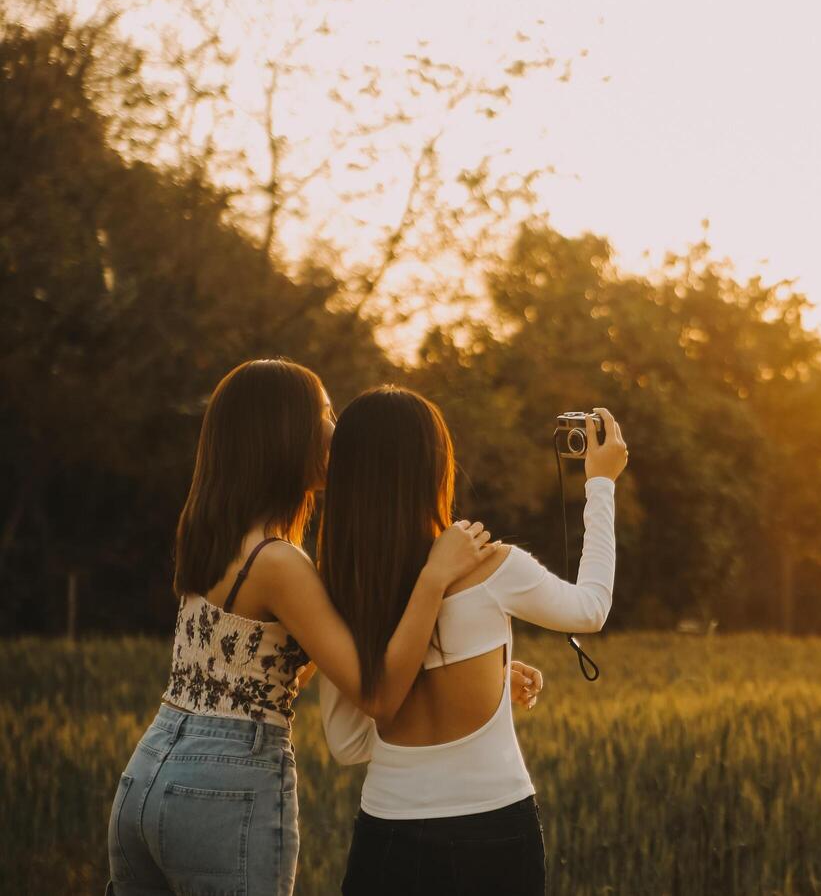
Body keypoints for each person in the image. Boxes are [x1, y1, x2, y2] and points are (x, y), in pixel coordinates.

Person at [105, 359, 524, 896]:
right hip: (226, 779)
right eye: (324, 413)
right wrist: (434, 577)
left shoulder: (213, 537)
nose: (336, 428)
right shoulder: (280, 563)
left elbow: (302, 661)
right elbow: (377, 693)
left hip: (148, 770)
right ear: (281, 435)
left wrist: (473, 664)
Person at [317, 389, 627, 896]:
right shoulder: (492, 565)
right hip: (496, 832)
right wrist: (600, 484)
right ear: (434, 469)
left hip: (388, 835)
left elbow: (348, 743)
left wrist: (476, 678)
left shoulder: (337, 592)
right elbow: (591, 608)